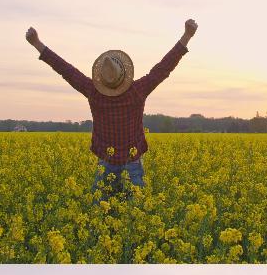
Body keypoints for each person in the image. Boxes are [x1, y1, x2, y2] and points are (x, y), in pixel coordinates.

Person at [25, 20, 198, 199]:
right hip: (132, 164)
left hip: (105, 164)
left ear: (102, 78)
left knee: (100, 217)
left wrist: (37, 44)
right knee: (135, 220)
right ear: (124, 74)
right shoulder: (137, 92)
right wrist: (187, 36)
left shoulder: (94, 93)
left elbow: (66, 70)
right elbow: (163, 68)